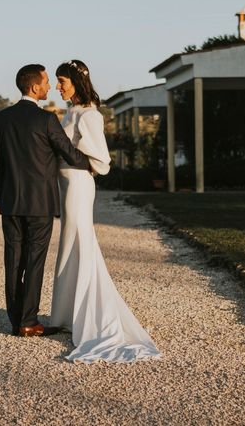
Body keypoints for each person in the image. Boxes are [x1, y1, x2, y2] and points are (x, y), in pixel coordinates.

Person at [49, 59, 162, 363]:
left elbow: (102, 161)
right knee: (68, 245)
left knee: (80, 243)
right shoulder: (70, 111)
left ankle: (90, 316)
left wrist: (77, 163)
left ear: (76, 81)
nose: (57, 86)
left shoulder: (88, 115)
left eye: (62, 81)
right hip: (65, 184)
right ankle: (66, 313)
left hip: (78, 185)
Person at [0, 64, 91, 337]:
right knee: (35, 261)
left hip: (10, 202)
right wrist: (95, 163)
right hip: (40, 204)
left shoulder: (0, 118)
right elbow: (70, 153)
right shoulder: (46, 120)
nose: (49, 87)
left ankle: (15, 320)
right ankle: (29, 321)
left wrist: (2, 196)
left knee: (13, 262)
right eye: (46, 82)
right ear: (34, 87)